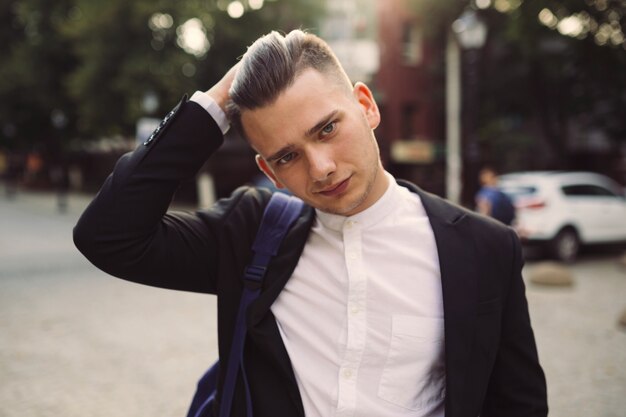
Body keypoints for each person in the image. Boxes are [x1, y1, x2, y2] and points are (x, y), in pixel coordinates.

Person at [74, 30, 547, 417]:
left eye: (327, 128)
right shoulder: (250, 233)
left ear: (366, 105)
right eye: (287, 156)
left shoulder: (485, 248)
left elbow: (518, 404)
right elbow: (109, 235)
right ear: (269, 172)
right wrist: (216, 105)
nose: (320, 167)